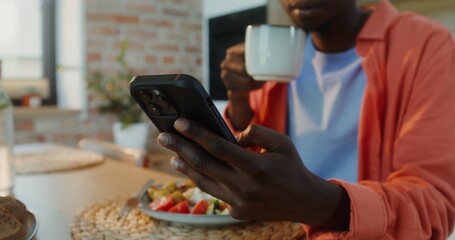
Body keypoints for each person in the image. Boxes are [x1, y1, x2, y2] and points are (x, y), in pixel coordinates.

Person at [157, 0, 455, 239]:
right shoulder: (276, 54)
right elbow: (253, 171)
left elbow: (434, 206)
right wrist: (238, 99)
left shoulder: (425, 45)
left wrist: (320, 203)